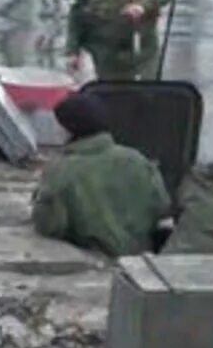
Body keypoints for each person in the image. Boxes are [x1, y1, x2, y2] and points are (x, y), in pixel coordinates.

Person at [30, 93, 170, 257]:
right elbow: (162, 209)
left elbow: (48, 225)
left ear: (68, 129)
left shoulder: (61, 170)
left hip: (92, 263)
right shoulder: (138, 160)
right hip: (139, 263)